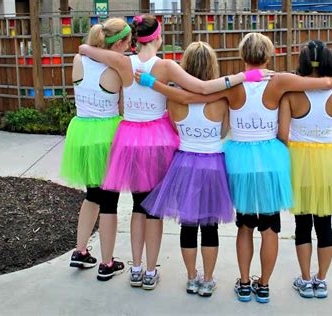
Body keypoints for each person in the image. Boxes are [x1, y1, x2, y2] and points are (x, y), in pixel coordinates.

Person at [137, 32, 332, 303]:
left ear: (242, 56)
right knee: (270, 226)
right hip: (270, 160)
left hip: (239, 161)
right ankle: (264, 285)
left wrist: (154, 84)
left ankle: (244, 283)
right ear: (268, 55)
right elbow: (311, 83)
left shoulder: (231, 86)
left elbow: (195, 95)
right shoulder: (278, 81)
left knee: (244, 225)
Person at [78, 15, 266, 290]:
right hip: (155, 140)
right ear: (157, 38)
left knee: (137, 207)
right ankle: (151, 271)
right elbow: (200, 89)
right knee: (151, 208)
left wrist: (84, 49)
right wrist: (244, 76)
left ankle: (137, 267)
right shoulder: (165, 66)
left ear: (135, 38)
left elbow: (89, 49)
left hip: (128, 138)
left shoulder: (123, 62)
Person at [141, 42, 233, 298]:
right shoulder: (222, 99)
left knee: (188, 225)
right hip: (213, 163)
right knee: (210, 226)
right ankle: (208, 279)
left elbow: (172, 127)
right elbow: (225, 131)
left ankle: (192, 278)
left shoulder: (174, 98)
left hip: (183, 164)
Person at [278, 40, 332, 299]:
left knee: (302, 224)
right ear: (327, 62)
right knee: (324, 224)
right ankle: (321, 280)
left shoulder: (291, 94)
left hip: (299, 162)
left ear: (302, 63)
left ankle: (305, 280)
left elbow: (282, 135)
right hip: (327, 163)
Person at [60, 18, 131, 281]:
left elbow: (83, 50)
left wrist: (88, 48)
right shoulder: (118, 68)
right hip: (108, 134)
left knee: (91, 195)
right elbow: (122, 108)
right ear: (120, 43)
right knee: (110, 201)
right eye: (127, 42)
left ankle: (80, 251)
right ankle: (107, 262)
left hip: (81, 131)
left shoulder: (79, 60)